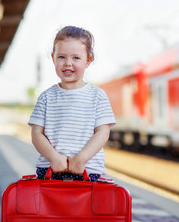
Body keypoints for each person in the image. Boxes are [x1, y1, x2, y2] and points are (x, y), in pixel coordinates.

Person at [28, 26, 116, 181]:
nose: (68, 63)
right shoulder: (46, 97)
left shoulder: (98, 96)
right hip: (49, 170)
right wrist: (54, 158)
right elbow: (36, 134)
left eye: (76, 58)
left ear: (88, 60)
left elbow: (102, 132)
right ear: (53, 57)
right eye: (62, 57)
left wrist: (81, 159)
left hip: (88, 170)